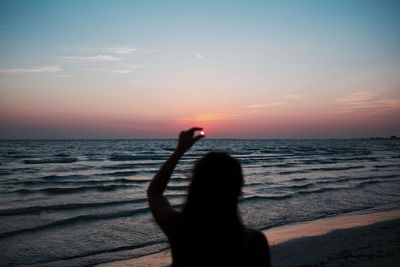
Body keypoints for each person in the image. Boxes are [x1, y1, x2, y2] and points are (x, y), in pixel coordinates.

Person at [147, 127, 271, 267]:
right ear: (238, 190)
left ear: (194, 186)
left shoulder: (180, 231)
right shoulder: (254, 241)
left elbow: (154, 192)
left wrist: (179, 150)